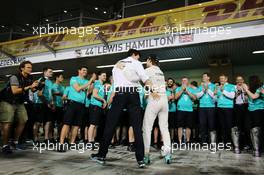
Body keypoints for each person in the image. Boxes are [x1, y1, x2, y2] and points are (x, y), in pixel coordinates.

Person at [90, 49, 158, 168]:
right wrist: (154, 91)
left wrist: (110, 101)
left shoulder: (116, 65)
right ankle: (140, 160)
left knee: (110, 125)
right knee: (137, 127)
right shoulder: (136, 63)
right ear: (134, 54)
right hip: (133, 95)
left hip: (120, 94)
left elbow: (115, 86)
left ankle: (101, 155)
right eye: (138, 57)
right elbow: (145, 79)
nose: (139, 59)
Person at [0, 61, 39, 154]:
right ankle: (5, 145)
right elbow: (14, 91)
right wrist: (30, 86)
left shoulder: (30, 77)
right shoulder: (14, 77)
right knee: (8, 122)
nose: (30, 69)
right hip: (7, 101)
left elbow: (32, 90)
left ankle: (15, 141)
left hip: (19, 102)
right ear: (22, 68)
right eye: (28, 67)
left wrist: (37, 86)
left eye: (31, 67)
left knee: (23, 119)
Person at [142, 55, 172, 165]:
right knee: (164, 127)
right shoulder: (160, 71)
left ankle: (146, 155)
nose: (145, 62)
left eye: (146, 60)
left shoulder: (147, 70)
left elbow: (146, 84)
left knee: (147, 128)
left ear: (150, 60)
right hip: (164, 100)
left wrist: (147, 94)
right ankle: (168, 154)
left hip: (154, 100)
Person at [58, 66, 96, 152]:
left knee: (76, 125)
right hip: (72, 104)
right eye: (83, 70)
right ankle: (61, 143)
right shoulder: (73, 78)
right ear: (79, 71)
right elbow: (78, 88)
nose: (85, 72)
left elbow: (89, 92)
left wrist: (93, 82)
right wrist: (90, 81)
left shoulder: (86, 81)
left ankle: (72, 143)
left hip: (81, 105)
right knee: (67, 123)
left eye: (86, 70)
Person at [242, 76, 264, 157]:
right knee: (247, 128)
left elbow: (254, 97)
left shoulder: (261, 87)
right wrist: (245, 92)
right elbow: (248, 100)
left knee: (258, 130)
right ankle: (252, 146)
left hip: (259, 110)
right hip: (250, 110)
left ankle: (259, 148)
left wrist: (246, 90)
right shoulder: (250, 88)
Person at [33, 67, 54, 144]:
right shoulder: (42, 80)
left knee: (48, 121)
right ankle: (36, 139)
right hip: (39, 103)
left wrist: (52, 103)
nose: (52, 73)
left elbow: (50, 94)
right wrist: (47, 103)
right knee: (38, 122)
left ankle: (46, 139)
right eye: (50, 71)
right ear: (45, 72)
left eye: (52, 72)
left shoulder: (50, 82)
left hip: (47, 104)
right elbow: (39, 94)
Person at [196, 73, 217, 147]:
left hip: (211, 107)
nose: (203, 77)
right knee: (202, 125)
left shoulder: (214, 86)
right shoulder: (200, 86)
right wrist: (203, 90)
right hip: (202, 107)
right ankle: (203, 142)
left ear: (208, 77)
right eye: (203, 76)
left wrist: (207, 89)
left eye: (204, 76)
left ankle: (211, 142)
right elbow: (197, 96)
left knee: (211, 125)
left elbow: (215, 97)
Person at [88, 71, 107, 149]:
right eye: (103, 75)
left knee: (96, 125)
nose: (105, 77)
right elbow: (94, 94)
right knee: (92, 125)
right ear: (99, 76)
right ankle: (90, 142)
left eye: (105, 76)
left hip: (98, 106)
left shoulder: (101, 85)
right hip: (94, 106)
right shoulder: (97, 83)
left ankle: (93, 141)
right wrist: (103, 100)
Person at [215, 74, 236, 147]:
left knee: (229, 125)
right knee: (222, 126)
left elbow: (232, 96)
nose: (221, 80)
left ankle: (231, 143)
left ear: (226, 79)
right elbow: (216, 98)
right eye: (220, 79)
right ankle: (224, 142)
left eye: (223, 78)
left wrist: (223, 90)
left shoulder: (231, 86)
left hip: (228, 108)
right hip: (219, 108)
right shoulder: (218, 87)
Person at [175, 77, 196, 144]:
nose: (184, 81)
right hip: (180, 109)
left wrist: (187, 91)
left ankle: (188, 140)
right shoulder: (178, 88)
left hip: (189, 110)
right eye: (183, 80)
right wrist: (182, 90)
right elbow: (176, 97)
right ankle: (180, 141)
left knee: (188, 126)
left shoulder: (191, 89)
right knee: (180, 126)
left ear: (187, 82)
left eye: (185, 80)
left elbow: (194, 98)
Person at [233, 76, 248, 154]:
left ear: (243, 80)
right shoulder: (234, 87)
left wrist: (245, 91)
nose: (239, 81)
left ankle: (246, 143)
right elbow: (233, 97)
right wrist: (238, 92)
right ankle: (238, 144)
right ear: (236, 81)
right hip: (237, 107)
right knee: (238, 125)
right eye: (238, 80)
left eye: (241, 80)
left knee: (245, 125)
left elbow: (248, 97)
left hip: (245, 106)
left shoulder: (245, 86)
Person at [51, 73, 65, 142]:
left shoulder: (62, 87)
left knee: (60, 123)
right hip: (54, 106)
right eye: (61, 77)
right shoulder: (53, 86)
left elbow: (65, 95)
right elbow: (55, 93)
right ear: (57, 78)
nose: (62, 78)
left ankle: (60, 137)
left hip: (61, 106)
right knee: (52, 122)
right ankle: (52, 137)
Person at [166, 78, 177, 142]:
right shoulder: (164, 89)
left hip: (172, 110)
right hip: (165, 110)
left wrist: (172, 92)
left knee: (172, 126)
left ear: (173, 83)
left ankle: (172, 139)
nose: (170, 83)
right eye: (169, 81)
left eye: (171, 82)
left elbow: (174, 98)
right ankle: (165, 139)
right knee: (165, 126)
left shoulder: (174, 90)